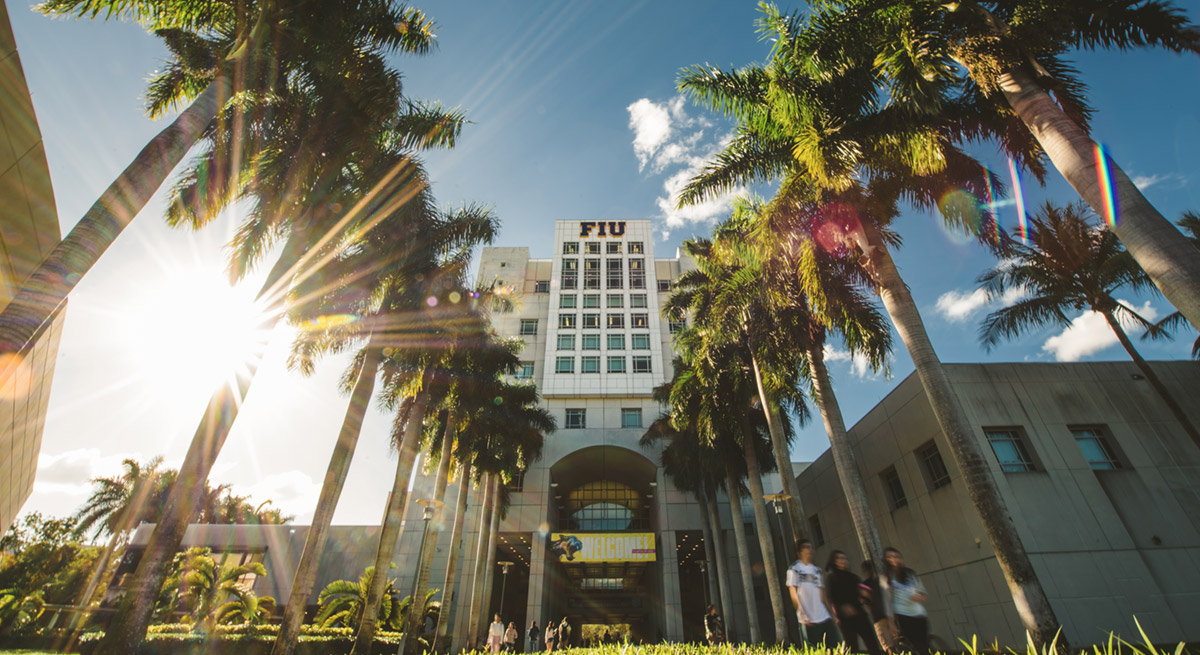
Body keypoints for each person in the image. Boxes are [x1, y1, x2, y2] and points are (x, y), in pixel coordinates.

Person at [786, 538, 841, 647]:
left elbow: (822, 593)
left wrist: (832, 614)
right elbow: (793, 593)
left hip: (824, 617)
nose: (810, 550)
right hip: (808, 620)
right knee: (815, 649)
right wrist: (802, 613)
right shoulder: (794, 569)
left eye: (811, 547)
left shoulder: (817, 570)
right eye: (806, 547)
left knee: (837, 647)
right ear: (799, 552)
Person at [826, 551, 882, 655]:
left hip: (860, 614)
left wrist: (865, 595)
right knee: (852, 646)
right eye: (839, 558)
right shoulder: (832, 578)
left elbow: (861, 593)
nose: (843, 561)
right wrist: (840, 610)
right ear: (834, 561)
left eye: (845, 558)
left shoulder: (854, 577)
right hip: (845, 618)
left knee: (872, 643)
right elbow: (832, 598)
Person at [882, 547, 931, 655]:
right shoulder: (886, 577)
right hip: (903, 615)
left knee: (925, 645)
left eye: (897, 556)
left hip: (919, 614)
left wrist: (920, 596)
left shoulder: (910, 573)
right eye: (890, 557)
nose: (894, 559)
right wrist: (891, 623)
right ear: (886, 560)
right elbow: (887, 601)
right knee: (919, 646)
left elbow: (923, 592)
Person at [862, 560, 899, 654]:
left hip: (878, 618)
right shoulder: (881, 579)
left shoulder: (864, 585)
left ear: (865, 571)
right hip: (890, 614)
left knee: (888, 645)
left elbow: (865, 602)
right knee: (897, 641)